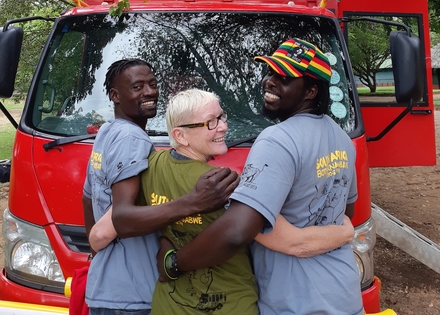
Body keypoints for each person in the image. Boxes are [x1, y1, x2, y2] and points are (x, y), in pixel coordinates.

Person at [90, 87, 355, 314]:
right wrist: (344, 233)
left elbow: (108, 226)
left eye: (222, 117)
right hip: (230, 303)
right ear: (180, 135)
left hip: (170, 304)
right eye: (211, 123)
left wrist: (165, 242)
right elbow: (291, 241)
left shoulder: (149, 167)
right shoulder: (224, 185)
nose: (224, 126)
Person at [157, 39, 364, 315]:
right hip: (344, 293)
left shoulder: (278, 140)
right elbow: (342, 213)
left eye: (284, 77)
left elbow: (236, 231)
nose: (269, 82)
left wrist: (174, 264)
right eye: (269, 73)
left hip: (296, 302)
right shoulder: (343, 140)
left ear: (311, 91)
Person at [82, 59, 239, 315]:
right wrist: (193, 202)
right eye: (137, 86)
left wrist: (97, 250)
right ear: (115, 96)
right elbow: (121, 217)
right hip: (133, 294)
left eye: (153, 84)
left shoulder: (106, 132)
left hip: (106, 286)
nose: (150, 92)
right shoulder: (132, 138)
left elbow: (88, 198)